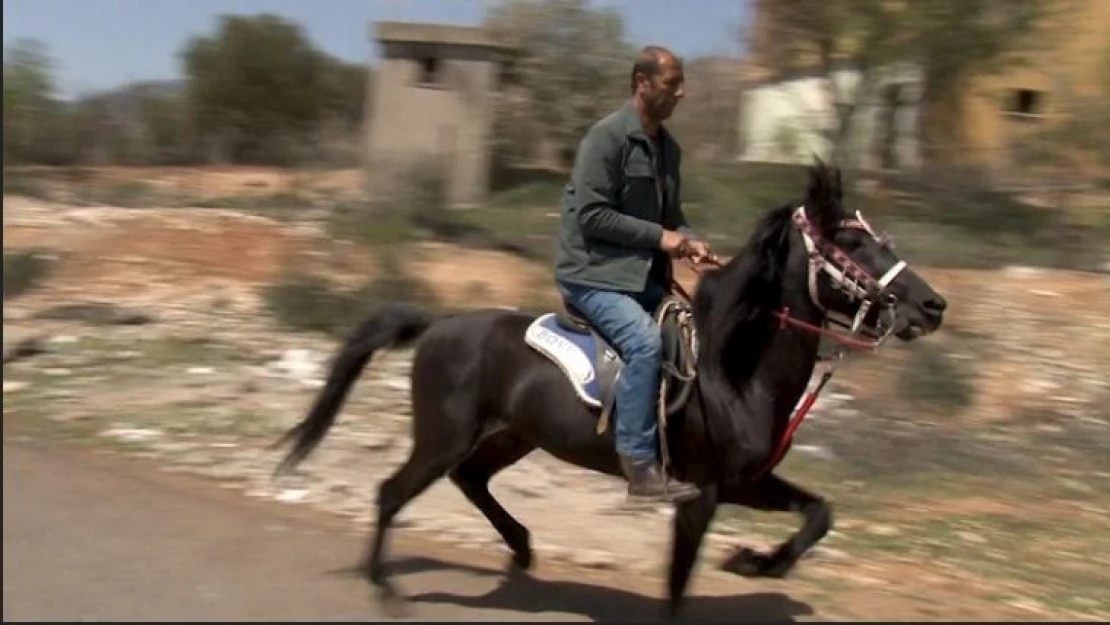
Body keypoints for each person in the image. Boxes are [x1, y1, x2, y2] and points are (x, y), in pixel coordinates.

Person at [553, 45, 717, 504]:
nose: (681, 92)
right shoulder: (605, 139)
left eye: (681, 83)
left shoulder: (670, 150)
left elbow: (672, 216)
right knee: (645, 343)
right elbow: (592, 216)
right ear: (643, 83)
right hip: (592, 274)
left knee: (692, 337)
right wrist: (665, 239)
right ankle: (638, 464)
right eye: (672, 84)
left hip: (641, 276)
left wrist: (690, 241)